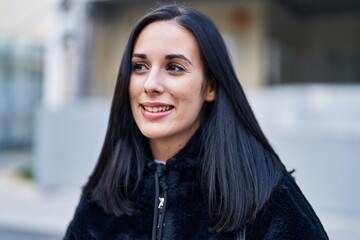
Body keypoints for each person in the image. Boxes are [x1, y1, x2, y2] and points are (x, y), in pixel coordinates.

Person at [64, 4, 328, 240]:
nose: (151, 84)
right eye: (140, 67)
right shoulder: (102, 193)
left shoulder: (266, 195)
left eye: (174, 67)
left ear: (210, 87)